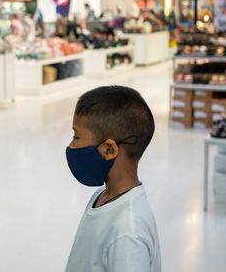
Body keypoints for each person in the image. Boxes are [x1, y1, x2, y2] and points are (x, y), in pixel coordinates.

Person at [65, 86, 161, 272]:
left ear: (109, 150)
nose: (71, 145)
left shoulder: (128, 233)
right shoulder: (102, 197)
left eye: (76, 136)